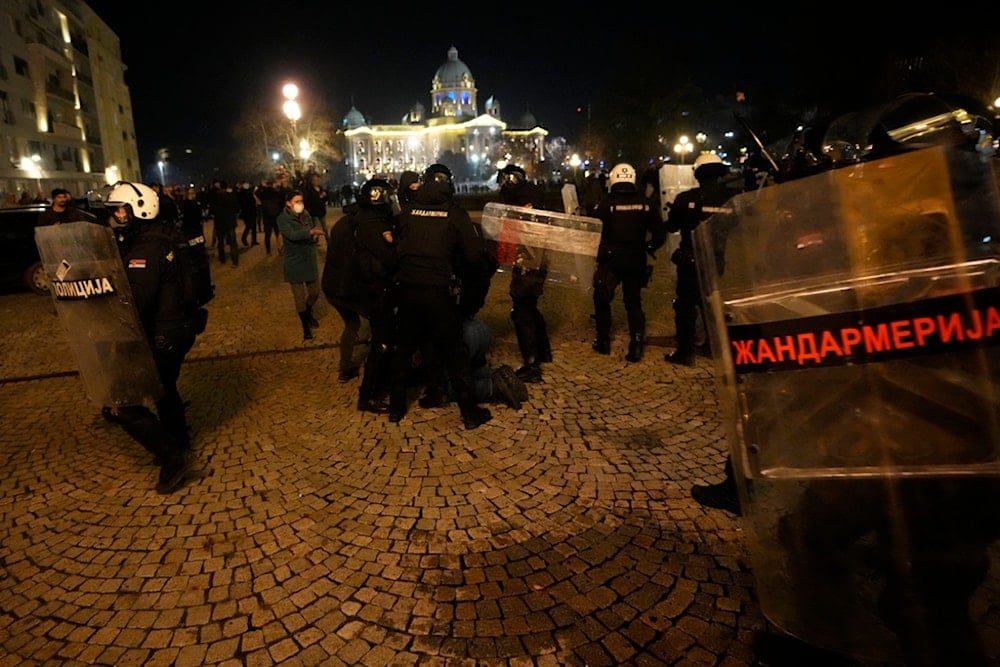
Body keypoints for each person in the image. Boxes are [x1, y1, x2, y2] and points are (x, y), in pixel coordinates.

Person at [102, 181, 201, 494]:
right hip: (178, 328)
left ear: (140, 210)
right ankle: (179, 441)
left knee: (124, 401)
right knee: (164, 388)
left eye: (121, 209)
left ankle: (173, 457)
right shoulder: (160, 236)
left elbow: (136, 300)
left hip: (163, 333)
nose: (117, 215)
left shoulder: (145, 248)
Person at [387, 163, 492, 430]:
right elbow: (473, 256)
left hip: (408, 289)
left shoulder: (409, 212)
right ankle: (469, 413)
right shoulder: (454, 214)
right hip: (438, 291)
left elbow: (399, 246)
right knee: (454, 350)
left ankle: (397, 408)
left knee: (405, 347)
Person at [590, 162, 665, 361]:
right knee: (633, 302)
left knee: (602, 298)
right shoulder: (646, 203)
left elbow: (593, 230)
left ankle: (603, 340)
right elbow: (659, 234)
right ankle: (637, 344)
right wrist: (649, 248)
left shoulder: (605, 203)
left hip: (610, 259)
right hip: (636, 258)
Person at [664, 153, 732, 367]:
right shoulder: (731, 199)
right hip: (716, 259)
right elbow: (735, 224)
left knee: (685, 307)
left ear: (698, 174)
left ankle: (685, 352)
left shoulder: (686, 198)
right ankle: (713, 346)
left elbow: (672, 226)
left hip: (690, 260)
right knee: (709, 303)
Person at [496, 164, 552, 384]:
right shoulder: (529, 196)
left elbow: (524, 233)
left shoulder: (524, 202)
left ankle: (532, 364)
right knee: (529, 305)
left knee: (521, 308)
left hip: (529, 258)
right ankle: (543, 349)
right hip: (534, 258)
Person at [277, 189, 325, 340]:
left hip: (308, 259)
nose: (300, 204)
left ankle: (308, 311)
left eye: (301, 201)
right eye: (296, 201)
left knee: (315, 292)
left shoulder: (306, 215)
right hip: (294, 261)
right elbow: (291, 235)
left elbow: (311, 228)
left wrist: (315, 237)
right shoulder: (282, 218)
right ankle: (305, 326)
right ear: (288, 203)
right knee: (299, 298)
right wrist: (310, 233)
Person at [209, 180, 241, 267]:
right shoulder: (231, 196)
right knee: (233, 243)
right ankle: (235, 261)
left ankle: (222, 259)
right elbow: (237, 208)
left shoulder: (215, 197)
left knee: (220, 242)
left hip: (220, 222)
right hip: (230, 222)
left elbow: (212, 211)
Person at [256, 178, 284, 256]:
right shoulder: (276, 192)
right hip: (276, 215)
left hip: (266, 216)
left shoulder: (263, 193)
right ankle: (279, 249)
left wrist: (261, 186)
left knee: (267, 235)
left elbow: (256, 192)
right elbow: (282, 198)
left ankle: (268, 251)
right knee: (277, 234)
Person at [303, 172, 329, 237]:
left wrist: (325, 196)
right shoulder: (309, 190)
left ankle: (329, 242)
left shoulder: (321, 188)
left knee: (325, 228)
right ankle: (315, 242)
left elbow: (325, 199)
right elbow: (309, 200)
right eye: (314, 180)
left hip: (322, 211)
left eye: (317, 179)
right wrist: (319, 197)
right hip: (314, 212)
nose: (316, 181)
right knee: (316, 228)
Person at [238, 181, 258, 247]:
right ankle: (244, 238)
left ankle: (254, 240)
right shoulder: (242, 193)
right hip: (246, 212)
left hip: (252, 211)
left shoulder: (250, 192)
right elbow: (243, 202)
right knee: (248, 226)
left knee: (254, 226)